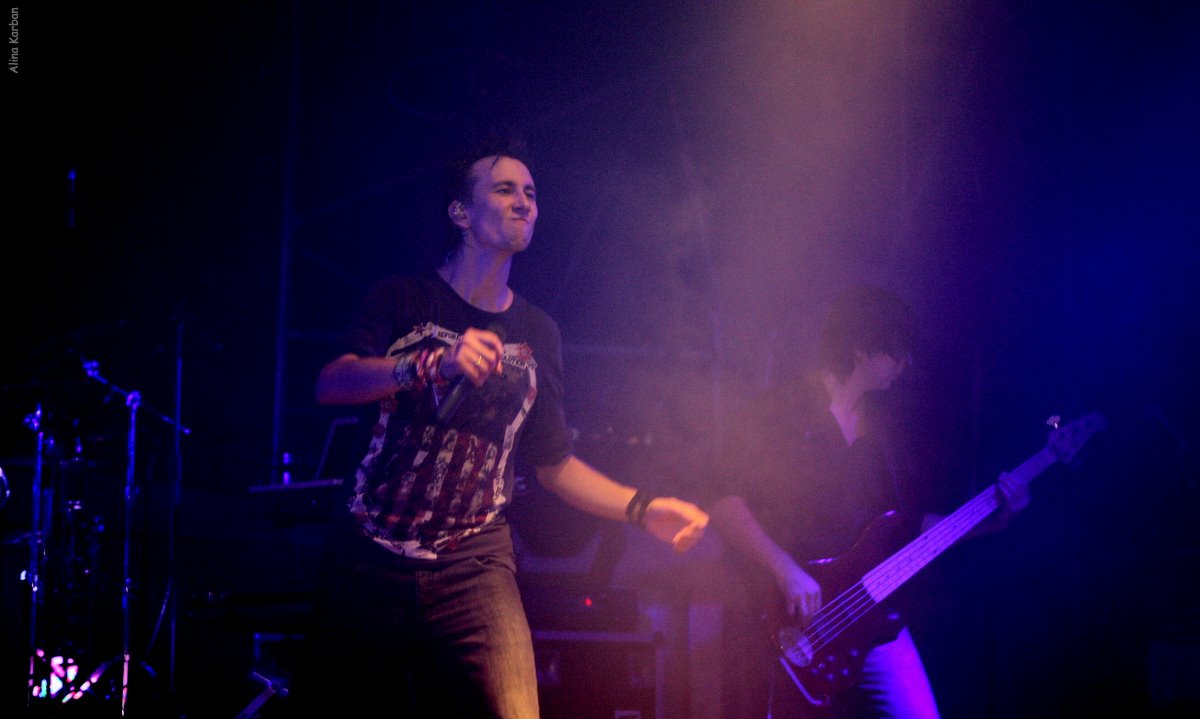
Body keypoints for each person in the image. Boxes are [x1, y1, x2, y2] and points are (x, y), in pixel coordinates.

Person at [293, 133, 708, 719]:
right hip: (368, 557)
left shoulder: (538, 332)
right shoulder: (403, 299)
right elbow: (332, 382)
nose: (524, 203)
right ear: (461, 213)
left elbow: (553, 463)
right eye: (506, 190)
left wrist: (642, 508)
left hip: (475, 566)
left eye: (531, 194)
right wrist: (432, 363)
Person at [707, 286, 1029, 719]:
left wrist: (993, 518)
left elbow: (909, 525)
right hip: (789, 621)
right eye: (896, 350)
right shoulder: (782, 409)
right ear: (860, 348)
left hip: (869, 612)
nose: (905, 364)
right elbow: (725, 502)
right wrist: (786, 570)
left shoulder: (882, 429)